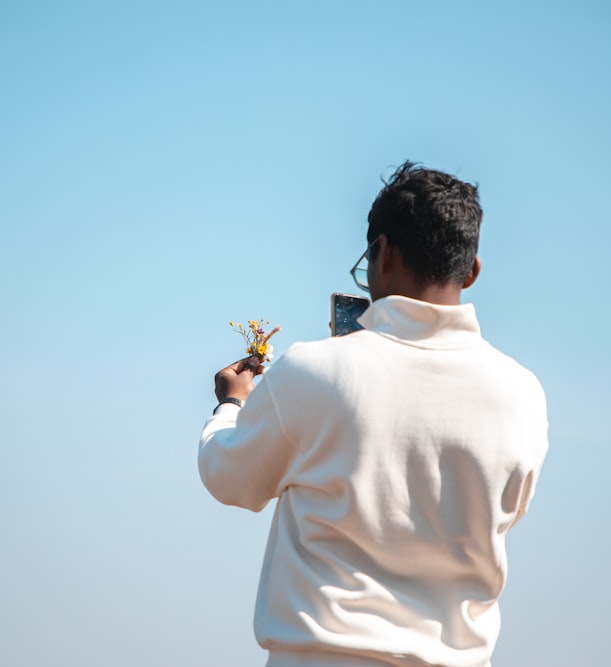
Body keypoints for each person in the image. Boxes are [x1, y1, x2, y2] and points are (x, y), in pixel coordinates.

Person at [198, 162, 549, 667]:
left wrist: (230, 404)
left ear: (381, 252)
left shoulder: (314, 370)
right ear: (471, 270)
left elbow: (229, 478)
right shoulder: (523, 394)